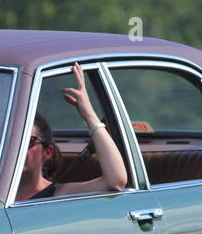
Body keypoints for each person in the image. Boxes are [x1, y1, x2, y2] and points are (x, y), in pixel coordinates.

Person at [17, 62, 129, 200]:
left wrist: (89, 115)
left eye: (28, 142)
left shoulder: (57, 193)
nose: (17, 150)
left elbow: (115, 181)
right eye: (8, 144)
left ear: (47, 153)